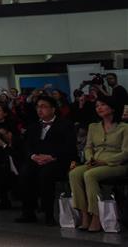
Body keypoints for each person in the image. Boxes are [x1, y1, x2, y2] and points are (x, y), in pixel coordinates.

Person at [69, 95, 128, 232]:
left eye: (102, 105)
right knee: (74, 173)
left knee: (90, 175)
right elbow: (88, 147)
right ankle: (85, 215)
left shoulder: (124, 127)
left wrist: (104, 161)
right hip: (95, 161)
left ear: (112, 108)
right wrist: (90, 159)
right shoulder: (93, 126)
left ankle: (96, 216)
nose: (99, 108)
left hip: (116, 164)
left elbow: (126, 152)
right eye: (97, 106)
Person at [15, 95, 77, 226]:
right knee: (25, 172)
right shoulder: (33, 127)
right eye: (38, 107)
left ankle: (49, 214)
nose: (40, 110)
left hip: (58, 160)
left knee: (46, 174)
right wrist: (33, 156)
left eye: (43, 107)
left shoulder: (65, 124)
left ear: (53, 109)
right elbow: (26, 146)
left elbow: (69, 146)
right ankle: (28, 211)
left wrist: (51, 156)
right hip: (37, 160)